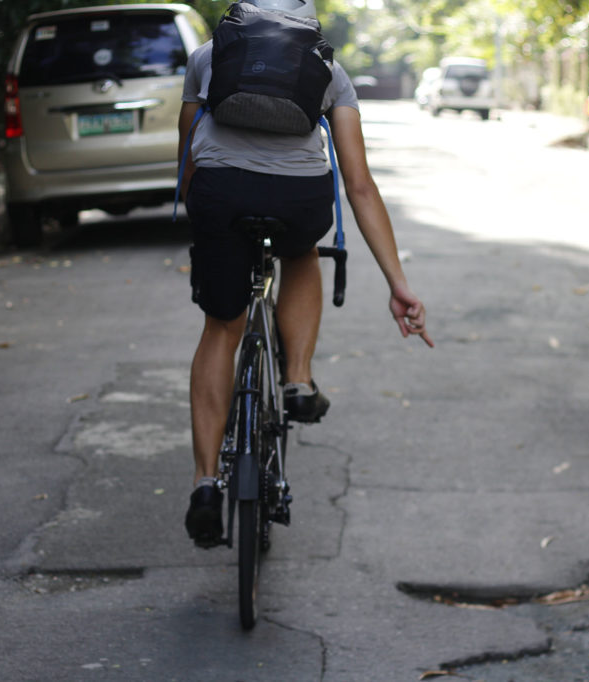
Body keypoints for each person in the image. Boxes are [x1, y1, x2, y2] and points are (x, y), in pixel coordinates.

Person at [178, 0, 433, 547]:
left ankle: (205, 486)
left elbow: (188, 158)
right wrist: (398, 283)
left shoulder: (208, 57)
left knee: (222, 326)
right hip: (299, 199)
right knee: (301, 255)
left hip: (221, 195)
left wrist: (204, 220)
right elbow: (358, 184)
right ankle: (296, 378)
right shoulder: (328, 70)